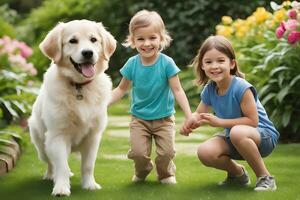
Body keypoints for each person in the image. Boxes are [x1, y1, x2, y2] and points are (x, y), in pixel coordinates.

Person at [181, 35, 279, 191]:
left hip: (263, 136)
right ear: (202, 66)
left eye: (220, 61)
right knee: (205, 152)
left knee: (237, 132)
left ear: (232, 64)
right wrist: (190, 122)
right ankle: (238, 175)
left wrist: (219, 122)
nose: (214, 66)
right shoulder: (210, 89)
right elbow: (199, 114)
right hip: (235, 137)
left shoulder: (241, 87)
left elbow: (252, 121)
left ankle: (265, 177)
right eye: (208, 62)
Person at [109, 9, 195, 184]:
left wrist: (189, 115)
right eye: (141, 39)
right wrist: (102, 104)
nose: (147, 43)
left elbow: (178, 90)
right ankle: (143, 170)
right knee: (139, 153)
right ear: (133, 41)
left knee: (167, 153)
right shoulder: (132, 64)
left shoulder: (167, 63)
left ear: (161, 38)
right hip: (139, 119)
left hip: (164, 119)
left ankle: (165, 173)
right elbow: (120, 89)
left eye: (152, 38)